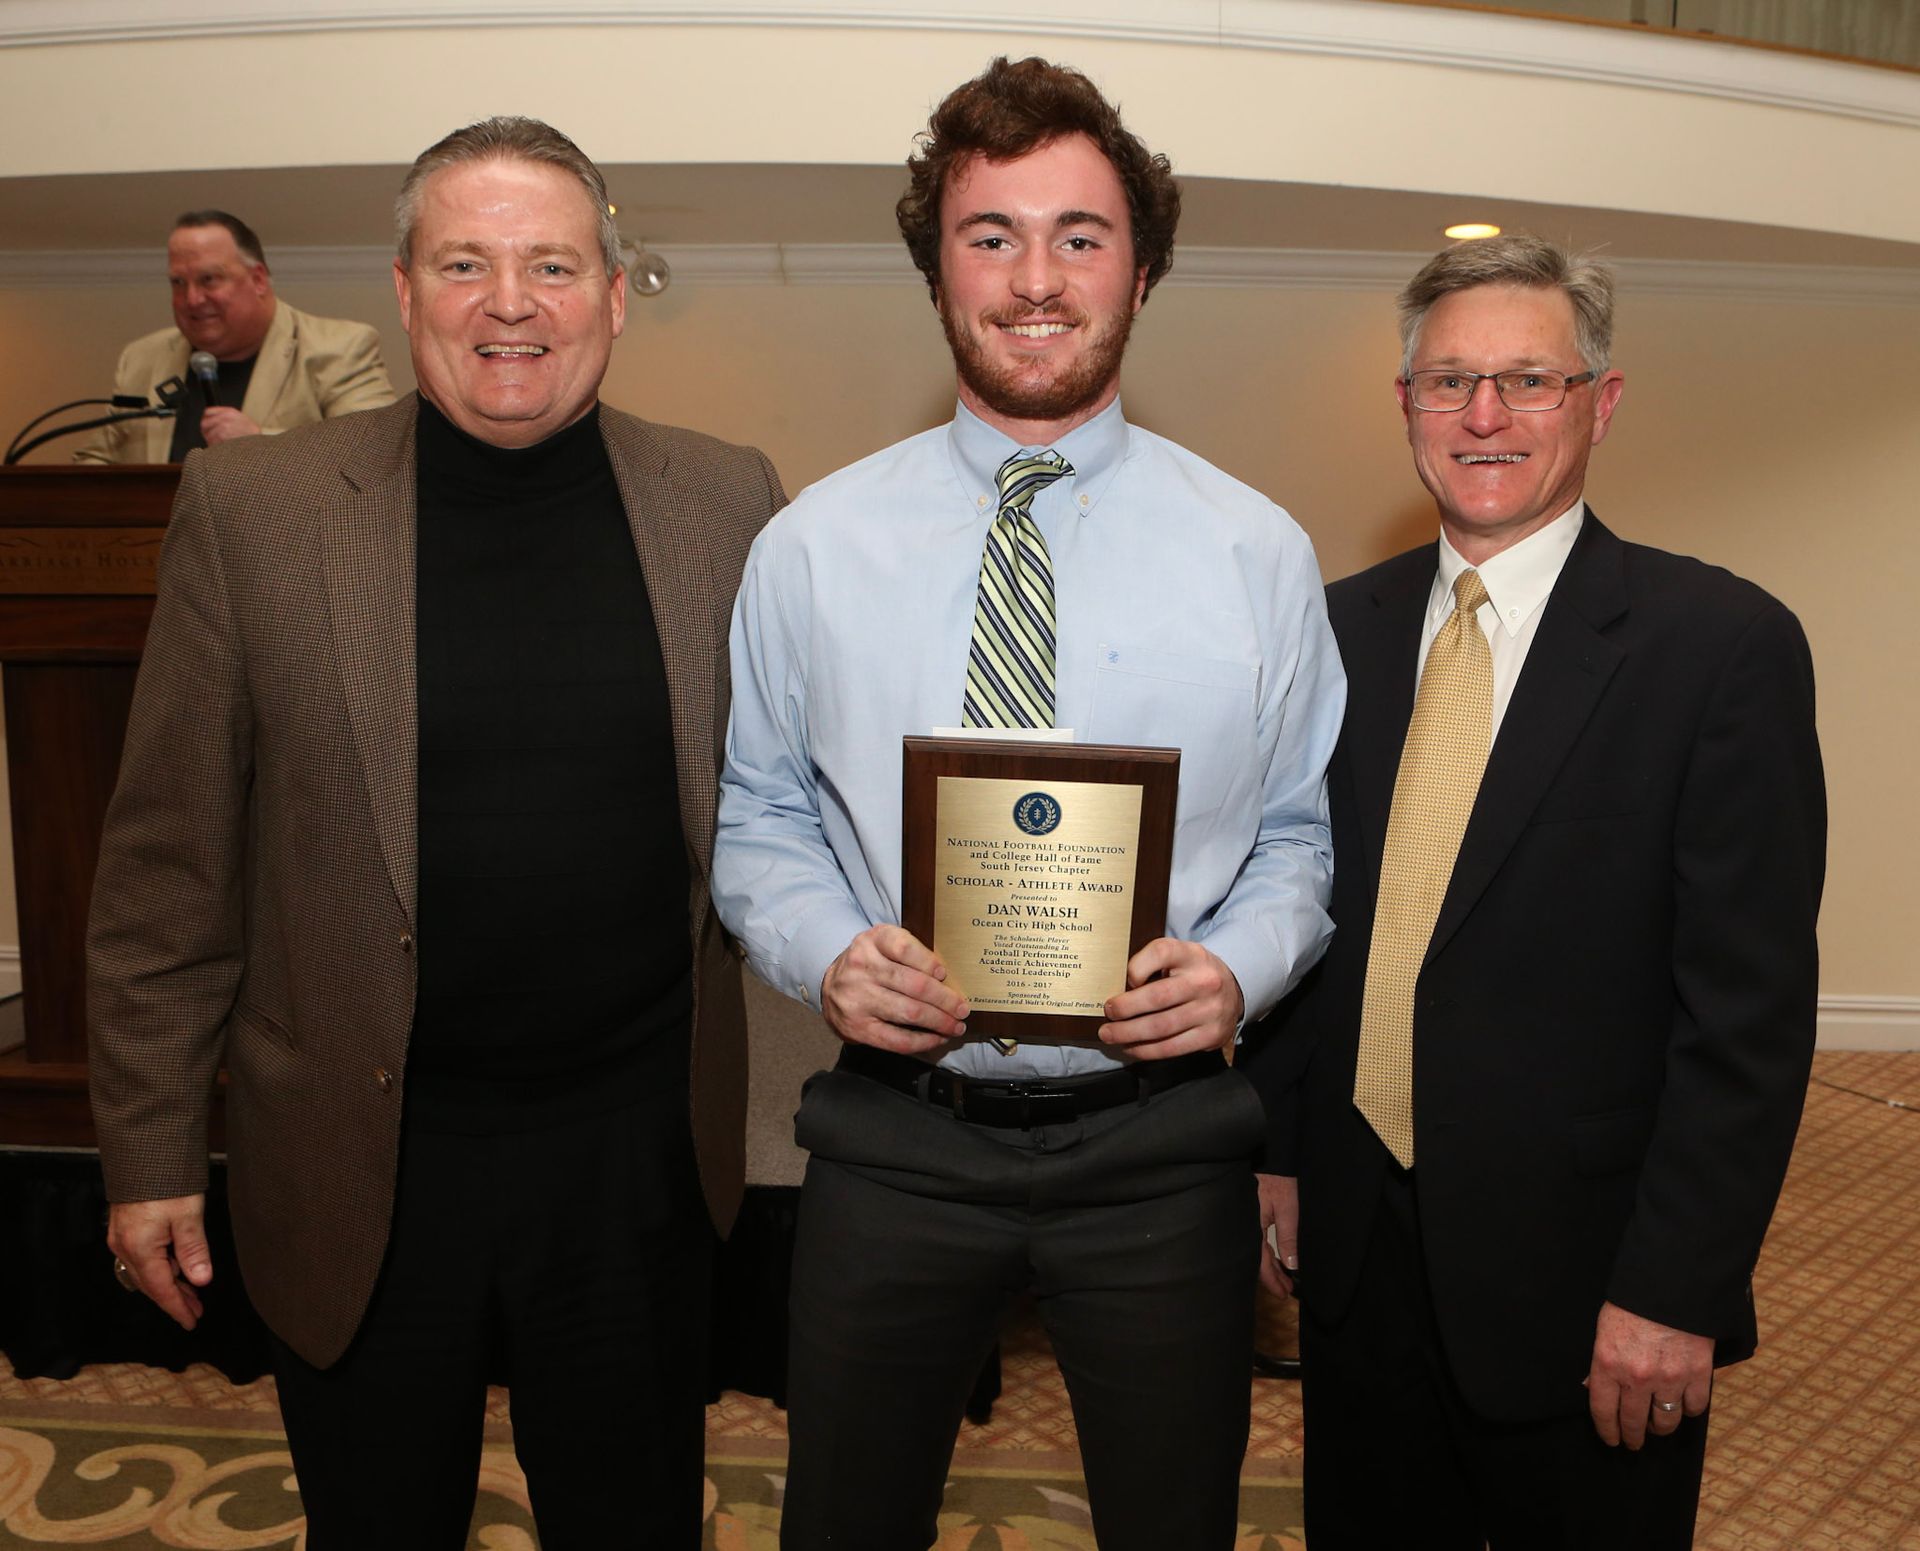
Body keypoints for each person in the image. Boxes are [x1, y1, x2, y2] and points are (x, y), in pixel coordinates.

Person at [87, 117, 784, 1549]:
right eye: (465, 262)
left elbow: (781, 794)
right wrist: (150, 1148)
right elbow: (170, 867)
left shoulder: (727, 499)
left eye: (551, 264)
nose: (510, 303)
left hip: (633, 1157)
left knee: (636, 1519)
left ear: (612, 289)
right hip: (361, 1160)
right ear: (404, 294)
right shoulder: (254, 512)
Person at [713, 56, 1342, 1551]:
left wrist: (1239, 966)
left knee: (1173, 1519)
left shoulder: (1256, 551)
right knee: (844, 1520)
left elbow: (1301, 835)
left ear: (1143, 267)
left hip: (1160, 1141)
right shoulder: (812, 546)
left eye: (1080, 234)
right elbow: (758, 814)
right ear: (939, 267)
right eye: (991, 234)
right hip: (896, 1129)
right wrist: (823, 950)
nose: (1036, 278)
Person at [1246, 235, 1826, 1548]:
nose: (1486, 416)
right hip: (1356, 1262)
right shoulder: (1335, 629)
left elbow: (1745, 1017)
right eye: (1449, 381)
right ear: (1405, 407)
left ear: (1601, 404)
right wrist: (1279, 1144)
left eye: (1529, 381)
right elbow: (1304, 895)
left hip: (1589, 1285)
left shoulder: (1719, 650)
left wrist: (1675, 1287)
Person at [73, 209, 395, 463]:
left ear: (257, 280)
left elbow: (373, 455)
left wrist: (260, 443)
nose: (193, 299)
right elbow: (97, 460)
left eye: (209, 279)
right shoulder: (141, 358)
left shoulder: (340, 348)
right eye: (178, 283)